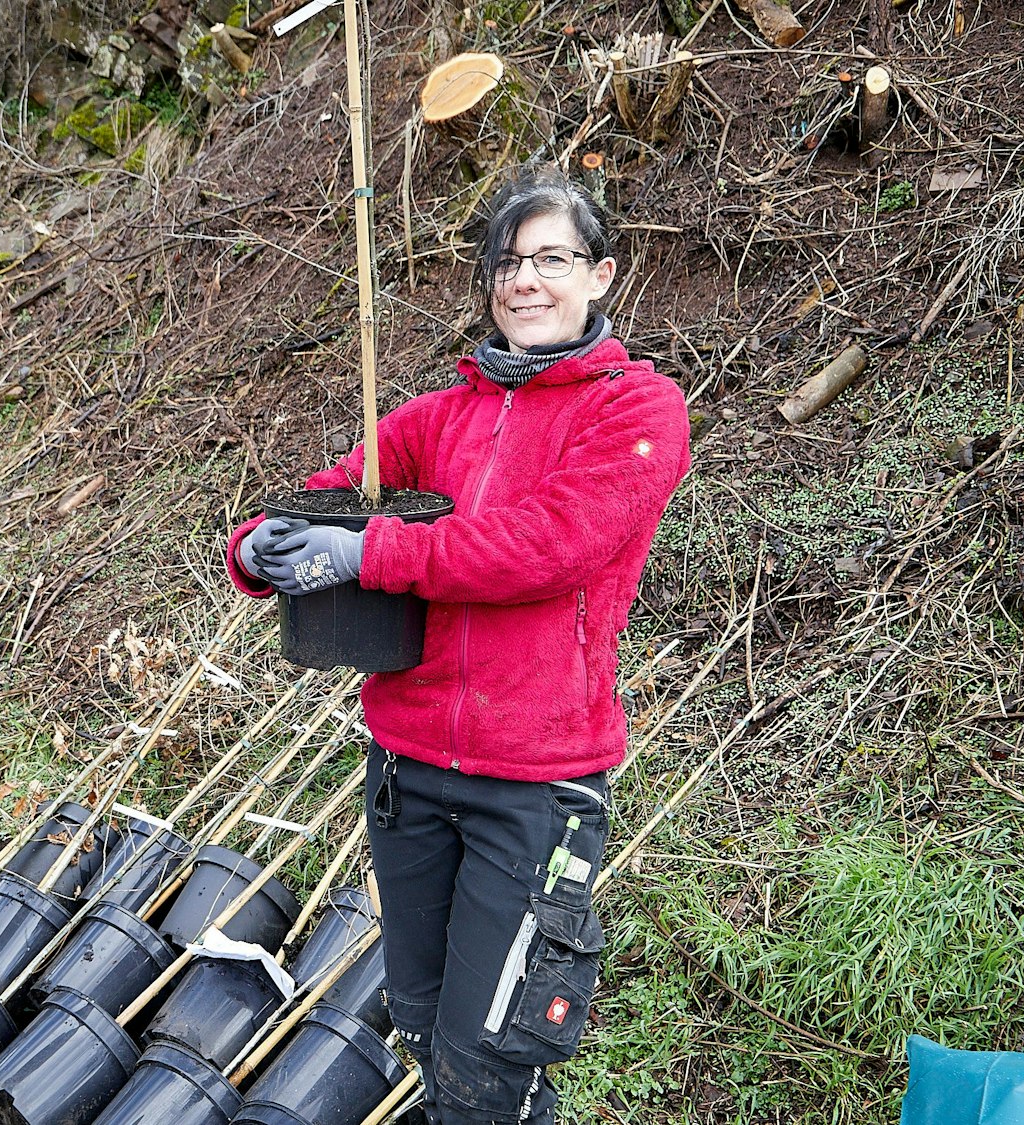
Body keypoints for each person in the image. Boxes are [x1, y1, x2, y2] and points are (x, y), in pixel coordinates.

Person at [225, 169, 690, 1124]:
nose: (526, 281)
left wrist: (374, 548)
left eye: (552, 259)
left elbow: (545, 546)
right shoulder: (440, 417)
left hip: (534, 784)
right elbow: (339, 485)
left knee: (495, 1050)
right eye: (508, 262)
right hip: (407, 768)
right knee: (425, 1015)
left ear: (600, 275)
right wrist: (262, 545)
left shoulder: (637, 412)